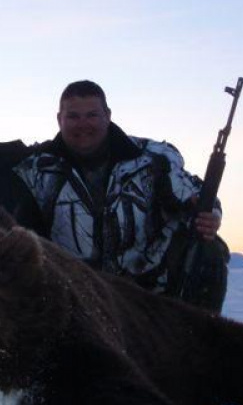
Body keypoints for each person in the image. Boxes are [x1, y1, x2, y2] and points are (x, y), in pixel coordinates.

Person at [13, 80, 229, 312]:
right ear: (59, 119)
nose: (83, 124)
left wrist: (211, 215)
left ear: (108, 115)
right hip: (77, 298)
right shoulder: (33, 170)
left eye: (92, 115)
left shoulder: (153, 158)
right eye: (73, 116)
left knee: (210, 249)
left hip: (150, 292)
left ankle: (196, 331)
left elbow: (198, 196)